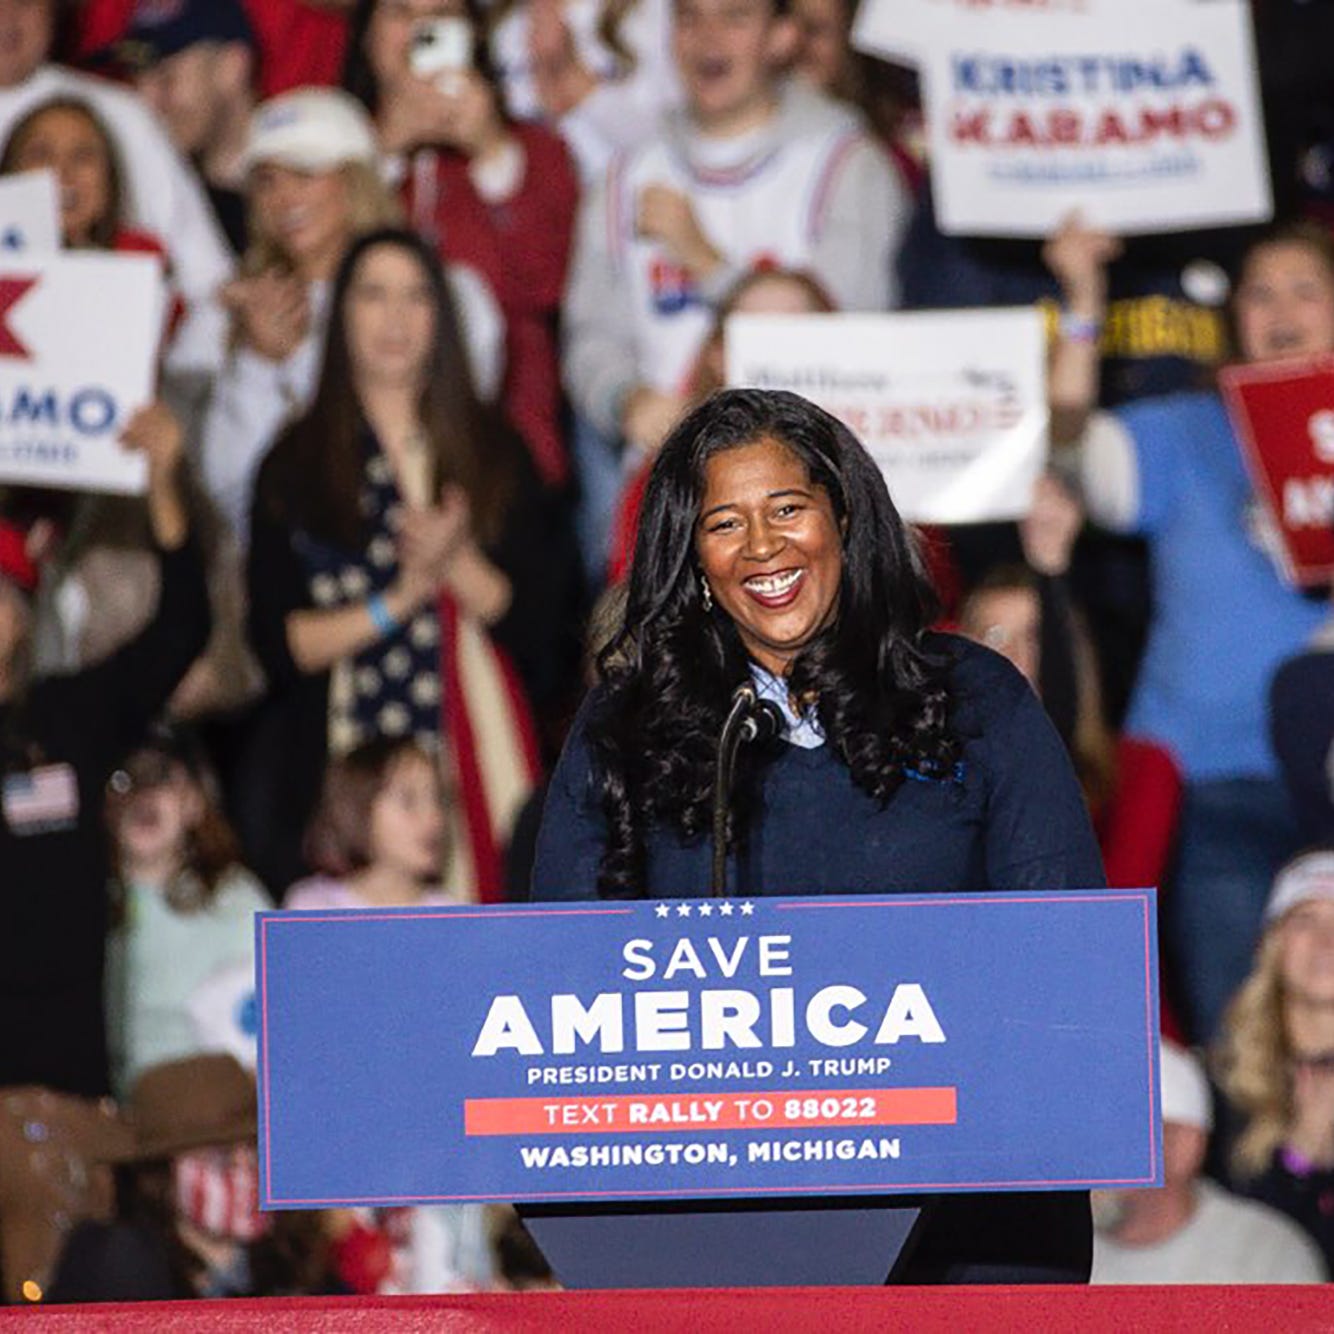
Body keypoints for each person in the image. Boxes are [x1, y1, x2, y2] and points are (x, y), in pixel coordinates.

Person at [533, 387, 1103, 1282]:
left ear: (844, 516)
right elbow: (560, 983)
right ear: (692, 557)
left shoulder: (976, 700)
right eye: (725, 523)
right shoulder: (628, 729)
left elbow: (1066, 954)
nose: (763, 547)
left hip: (971, 1224)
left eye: (787, 509)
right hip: (716, 1228)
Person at [1049, 219, 1334, 1044]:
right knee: (1236, 1035)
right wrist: (1081, 303)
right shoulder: (1185, 428)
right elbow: (1072, 461)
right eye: (1260, 293)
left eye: (1306, 290)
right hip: (1214, 781)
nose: (1281, 310)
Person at [247, 226, 575, 900]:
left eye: (416, 297)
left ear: (442, 317)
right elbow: (279, 646)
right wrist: (396, 601)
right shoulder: (294, 466)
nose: (394, 318)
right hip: (329, 772)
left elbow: (552, 640)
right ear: (340, 316)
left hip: (484, 776)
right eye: (372, 295)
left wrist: (457, 564)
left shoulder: (494, 455)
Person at [561, 0, 908, 579]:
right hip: (667, 509)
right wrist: (626, 399)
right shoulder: (626, 175)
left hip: (815, 511)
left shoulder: (846, 164)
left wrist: (707, 264)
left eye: (736, 17)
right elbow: (590, 335)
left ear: (782, 35)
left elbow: (856, 347)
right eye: (689, 17)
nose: (708, 38)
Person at [0, 401, 211, 1098]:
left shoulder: (67, 716)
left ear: (23, 618)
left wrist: (163, 483)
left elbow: (182, 627)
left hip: (67, 1086)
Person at [200, 84, 503, 546]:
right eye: (267, 180)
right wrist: (259, 366)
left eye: (304, 174)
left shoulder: (452, 293)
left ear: (357, 179)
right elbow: (229, 490)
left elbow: (459, 429)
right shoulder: (232, 309)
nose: (283, 198)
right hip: (301, 562)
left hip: (433, 540)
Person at [285, 738, 497, 1293]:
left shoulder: (454, 918)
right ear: (356, 808)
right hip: (352, 1180)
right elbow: (302, 1070)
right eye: (408, 800)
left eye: (437, 800)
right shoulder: (312, 912)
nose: (431, 818)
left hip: (445, 1174)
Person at [344, 0, 580, 489]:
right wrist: (383, 152)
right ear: (366, 35)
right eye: (401, 14)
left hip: (510, 451)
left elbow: (547, 289)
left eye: (441, 15)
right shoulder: (335, 152)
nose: (418, 32)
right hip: (356, 444)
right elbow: (326, 283)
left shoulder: (536, 152)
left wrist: (492, 152)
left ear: (473, 36)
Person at [0, 0, 232, 376]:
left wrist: (174, 396)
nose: (6, 17)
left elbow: (208, 283)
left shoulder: (120, 114)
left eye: (24, 2)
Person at [103, 727, 270, 1096]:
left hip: (216, 1112)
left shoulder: (234, 898)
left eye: (161, 777)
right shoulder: (79, 906)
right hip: (118, 1112)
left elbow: (271, 1024)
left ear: (194, 800)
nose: (141, 795)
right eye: (123, 781)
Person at [1091, 1039, 1325, 1284]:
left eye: (1111, 1136)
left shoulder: (1263, 1253)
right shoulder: (1058, 1259)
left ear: (1183, 1146)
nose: (1087, 1160)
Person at [1214, 848, 1334, 1274]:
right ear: (1273, 943)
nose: (1326, 940)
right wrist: (1301, 1155)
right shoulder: (1225, 1080)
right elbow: (1219, 1243)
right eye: (1305, 920)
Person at [112, 0, 260, 255]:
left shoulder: (308, 173)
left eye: (166, 77)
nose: (147, 101)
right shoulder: (142, 194)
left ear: (232, 67)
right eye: (136, 79)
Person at [487, 0, 681, 182]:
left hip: (637, 192)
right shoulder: (507, 24)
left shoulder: (649, 13)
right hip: (546, 202)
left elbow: (670, 140)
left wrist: (574, 78)